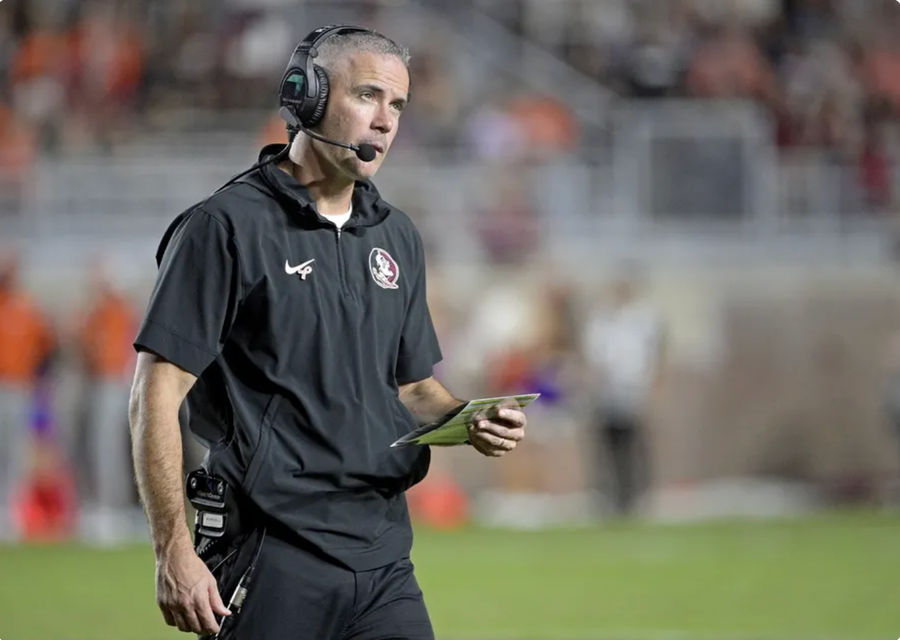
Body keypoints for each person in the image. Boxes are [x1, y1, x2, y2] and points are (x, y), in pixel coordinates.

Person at [129, 25, 528, 640]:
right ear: (307, 97)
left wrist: (470, 418)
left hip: (383, 553)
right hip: (270, 549)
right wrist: (171, 551)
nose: (385, 121)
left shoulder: (396, 235)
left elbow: (416, 387)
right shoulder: (224, 227)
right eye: (368, 96)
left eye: (397, 105)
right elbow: (155, 395)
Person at [582, 273, 664, 515]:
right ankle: (610, 495)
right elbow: (595, 355)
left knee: (633, 443)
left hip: (634, 388)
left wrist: (654, 384)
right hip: (608, 389)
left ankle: (636, 495)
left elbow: (654, 353)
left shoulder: (643, 319)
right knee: (609, 444)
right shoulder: (603, 319)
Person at [0, 252, 56, 540]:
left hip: (19, 387)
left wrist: (38, 382)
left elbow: (47, 349)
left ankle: (8, 512)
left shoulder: (26, 310)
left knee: (16, 452)